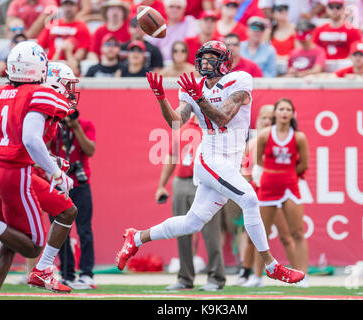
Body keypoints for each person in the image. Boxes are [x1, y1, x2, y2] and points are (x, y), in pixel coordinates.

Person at [116, 40, 306, 286]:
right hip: (210, 157)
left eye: (212, 57)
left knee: (192, 222)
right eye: (203, 57)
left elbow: (225, 116)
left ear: (225, 62)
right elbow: (175, 121)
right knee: (249, 199)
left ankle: (137, 238)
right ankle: (271, 265)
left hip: (229, 159)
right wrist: (161, 98)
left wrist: (201, 99)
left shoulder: (239, 81)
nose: (205, 62)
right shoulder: (193, 88)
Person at [0, 42, 78, 299]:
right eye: (66, 85)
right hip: (14, 173)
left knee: (14, 236)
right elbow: (30, 140)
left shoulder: (2, 92)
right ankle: (39, 266)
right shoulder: (40, 96)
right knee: (31, 246)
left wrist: (49, 160)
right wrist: (56, 173)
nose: (70, 93)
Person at [154, 115, 226, 291]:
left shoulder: (215, 125)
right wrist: (161, 185)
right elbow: (172, 156)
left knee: (211, 232)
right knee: (181, 230)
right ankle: (185, 278)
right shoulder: (183, 126)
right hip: (181, 181)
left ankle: (216, 278)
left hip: (206, 183)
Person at [244, 98, 310, 288]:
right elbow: (258, 160)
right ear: (275, 113)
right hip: (268, 187)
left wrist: (286, 173)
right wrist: (274, 173)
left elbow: (304, 164)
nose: (284, 112)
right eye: (281, 108)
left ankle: (302, 276)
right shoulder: (264, 135)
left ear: (292, 114)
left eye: (288, 109)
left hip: (290, 186)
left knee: (297, 232)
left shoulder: (299, 137)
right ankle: (257, 277)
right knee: (261, 233)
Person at [48, 80, 97, 289]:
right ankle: (66, 273)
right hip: (58, 185)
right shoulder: (51, 125)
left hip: (80, 183)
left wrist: (75, 126)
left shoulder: (85, 124)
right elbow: (45, 148)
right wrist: (55, 123)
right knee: (60, 231)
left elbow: (90, 149)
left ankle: (87, 274)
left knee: (84, 230)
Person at [236, 104, 274, 286]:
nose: (267, 121)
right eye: (264, 117)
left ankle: (299, 274)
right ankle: (247, 271)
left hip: (273, 191)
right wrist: (248, 183)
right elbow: (244, 166)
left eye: (270, 118)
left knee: (286, 234)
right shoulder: (251, 142)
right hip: (253, 190)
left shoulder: (277, 141)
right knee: (249, 233)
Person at [37, 0, 91, 67]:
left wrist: (68, 53)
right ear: (62, 7)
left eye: (71, 5)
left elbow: (81, 53)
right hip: (50, 62)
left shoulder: (82, 27)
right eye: (66, 5)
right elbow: (39, 47)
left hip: (70, 64)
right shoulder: (52, 24)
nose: (68, 8)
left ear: (77, 7)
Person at [145, 0, 199, 65]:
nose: (174, 10)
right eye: (171, 7)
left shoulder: (189, 21)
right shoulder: (159, 26)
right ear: (165, 8)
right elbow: (151, 44)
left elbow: (190, 41)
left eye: (178, 7)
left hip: (183, 63)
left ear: (184, 9)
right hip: (162, 64)